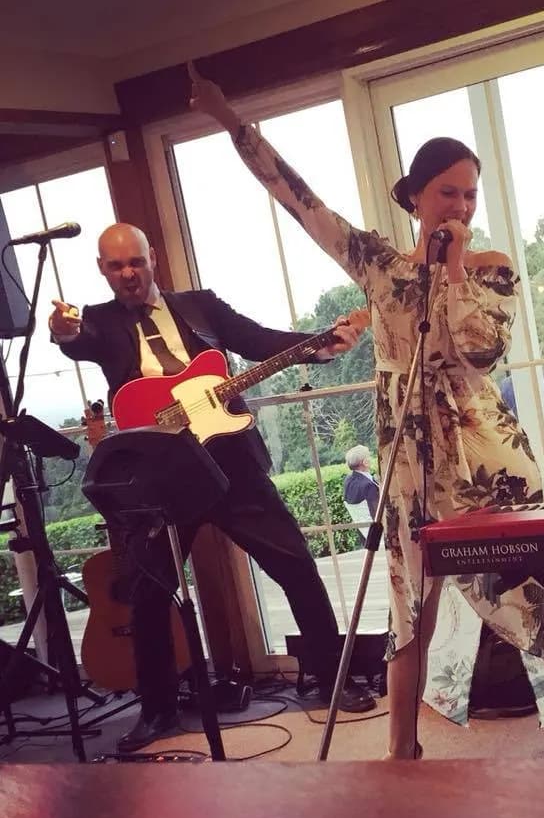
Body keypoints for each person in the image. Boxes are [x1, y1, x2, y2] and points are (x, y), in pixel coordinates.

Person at [189, 63, 544, 759]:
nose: (462, 208)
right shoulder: (379, 266)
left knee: (533, 592)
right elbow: (301, 202)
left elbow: (480, 353)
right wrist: (232, 123)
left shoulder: (493, 268)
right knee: (410, 602)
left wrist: (452, 270)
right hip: (408, 458)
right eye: (448, 193)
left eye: (471, 195)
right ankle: (400, 752)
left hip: (484, 455)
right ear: (416, 196)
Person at [49, 222, 377, 753]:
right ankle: (157, 712)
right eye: (115, 267)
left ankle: (331, 680)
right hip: (159, 474)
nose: (128, 274)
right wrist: (62, 332)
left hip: (229, 462)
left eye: (135, 261)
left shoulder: (201, 306)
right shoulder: (99, 323)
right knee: (147, 591)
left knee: (295, 562)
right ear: (102, 270)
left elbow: (256, 339)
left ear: (152, 257)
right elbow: (75, 341)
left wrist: (318, 346)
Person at [342, 444, 380, 538]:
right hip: (377, 535)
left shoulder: (348, 480)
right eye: (369, 456)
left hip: (363, 534)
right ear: (365, 462)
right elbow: (379, 513)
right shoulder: (368, 486)